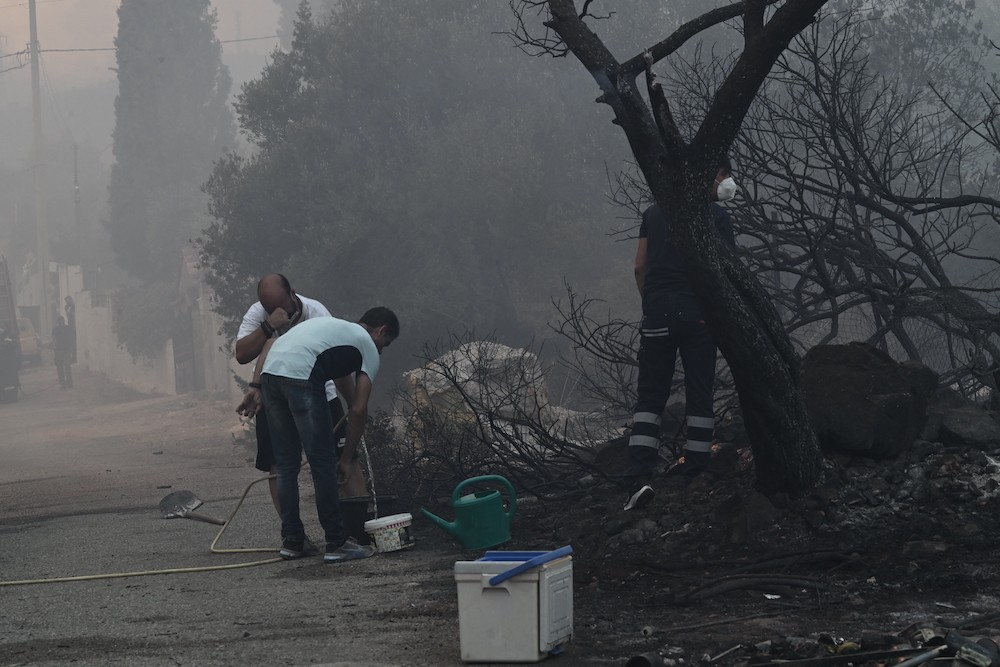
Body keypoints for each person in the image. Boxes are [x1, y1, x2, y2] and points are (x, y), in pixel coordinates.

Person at [237, 307, 399, 563]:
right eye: (385, 344)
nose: (381, 350)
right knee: (322, 462)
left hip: (270, 376)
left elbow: (274, 344)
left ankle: (293, 542)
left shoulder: (335, 330)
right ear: (382, 331)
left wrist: (255, 386)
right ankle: (336, 542)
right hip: (301, 377)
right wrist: (345, 458)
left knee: (287, 465)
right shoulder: (366, 345)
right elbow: (358, 409)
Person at [623, 158, 738, 512]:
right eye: (723, 174)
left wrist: (653, 303)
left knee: (651, 394)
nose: (727, 182)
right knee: (699, 387)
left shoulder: (653, 213)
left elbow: (640, 266)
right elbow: (727, 272)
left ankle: (640, 470)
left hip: (657, 309)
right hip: (697, 314)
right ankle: (697, 465)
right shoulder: (717, 217)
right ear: (709, 176)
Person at [233, 275, 364, 531]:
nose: (282, 313)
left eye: (285, 306)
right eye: (272, 309)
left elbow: (339, 368)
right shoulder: (258, 315)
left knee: (340, 458)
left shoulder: (317, 313)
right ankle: (294, 535)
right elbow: (242, 354)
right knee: (280, 465)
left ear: (294, 293)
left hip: (319, 394)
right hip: (274, 397)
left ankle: (362, 526)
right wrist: (268, 325)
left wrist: (351, 407)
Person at [52, 315, 75, 389]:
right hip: (65, 350)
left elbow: (54, 341)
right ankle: (68, 383)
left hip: (61, 350)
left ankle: (63, 384)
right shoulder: (68, 328)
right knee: (66, 367)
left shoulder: (55, 329)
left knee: (61, 368)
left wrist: (55, 349)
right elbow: (72, 339)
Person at [64, 296, 77, 363]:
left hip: (74, 327)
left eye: (68, 300)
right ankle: (73, 358)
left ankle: (75, 358)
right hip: (70, 326)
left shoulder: (74, 306)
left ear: (71, 300)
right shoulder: (67, 307)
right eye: (66, 301)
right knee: (71, 343)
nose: (67, 302)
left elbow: (74, 316)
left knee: (74, 343)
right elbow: (67, 315)